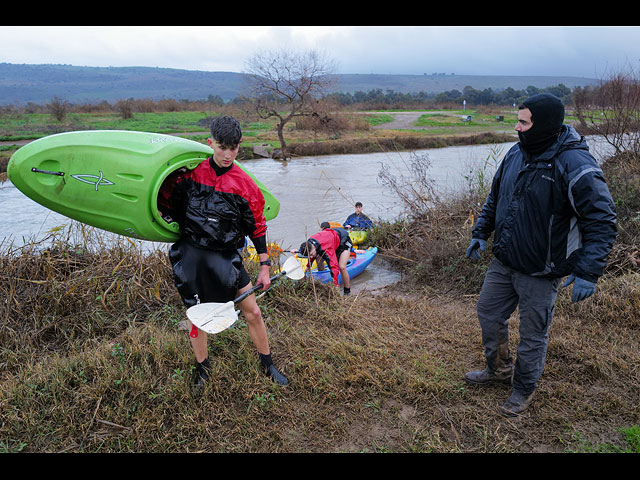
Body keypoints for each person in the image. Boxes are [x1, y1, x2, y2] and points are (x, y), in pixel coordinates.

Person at [464, 94, 617, 416]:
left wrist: (589, 270)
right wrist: (480, 232)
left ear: (545, 125)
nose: (517, 128)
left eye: (524, 122)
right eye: (517, 121)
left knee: (533, 335)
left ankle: (523, 389)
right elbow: (496, 197)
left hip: (542, 270)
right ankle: (498, 371)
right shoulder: (516, 153)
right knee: (489, 316)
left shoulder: (575, 164)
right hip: (504, 261)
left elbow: (601, 219)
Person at [158, 116, 288, 390]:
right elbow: (163, 201)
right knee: (196, 315)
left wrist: (265, 267)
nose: (227, 155)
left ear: (239, 146)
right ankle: (203, 369)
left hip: (225, 257)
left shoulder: (245, 185)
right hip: (191, 255)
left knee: (253, 312)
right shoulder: (191, 175)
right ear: (210, 144)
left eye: (233, 148)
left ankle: (268, 364)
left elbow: (257, 227)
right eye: (221, 147)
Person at [297, 225, 354, 295]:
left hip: (343, 241)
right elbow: (310, 255)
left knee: (342, 267)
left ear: (314, 247)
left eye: (311, 254)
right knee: (318, 259)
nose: (311, 256)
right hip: (331, 239)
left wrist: (335, 286)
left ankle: (347, 291)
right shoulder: (309, 243)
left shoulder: (327, 249)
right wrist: (308, 266)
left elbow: (334, 268)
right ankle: (323, 280)